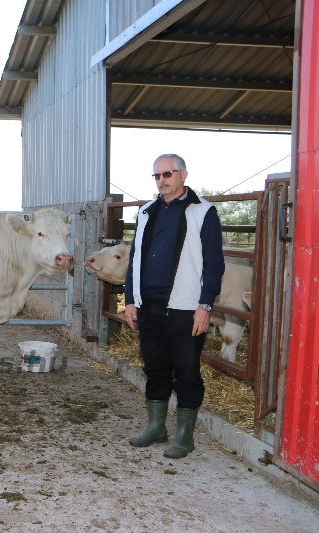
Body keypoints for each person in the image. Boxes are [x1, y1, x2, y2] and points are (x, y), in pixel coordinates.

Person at [124, 153, 225, 459]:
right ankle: (156, 426)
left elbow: (214, 264)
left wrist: (204, 305)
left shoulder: (203, 212)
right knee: (154, 367)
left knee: (186, 371)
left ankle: (184, 434)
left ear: (183, 175)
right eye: (156, 176)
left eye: (167, 174)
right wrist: (130, 299)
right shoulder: (146, 212)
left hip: (184, 306)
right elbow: (134, 259)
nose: (162, 180)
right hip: (149, 304)